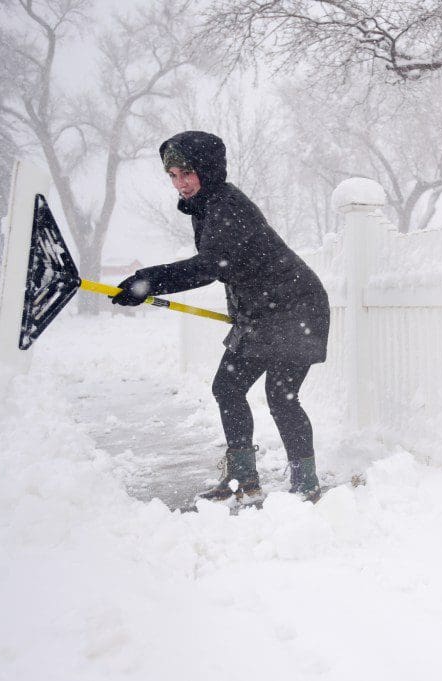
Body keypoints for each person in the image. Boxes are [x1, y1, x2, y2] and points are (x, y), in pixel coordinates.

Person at [112, 131, 329, 503]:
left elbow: (211, 265)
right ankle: (243, 479)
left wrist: (149, 280)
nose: (180, 184)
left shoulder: (227, 205)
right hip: (262, 311)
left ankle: (305, 484)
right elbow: (231, 265)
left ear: (208, 170)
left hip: (296, 307)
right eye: (173, 176)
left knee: (280, 396)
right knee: (228, 388)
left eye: (186, 173)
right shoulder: (207, 206)